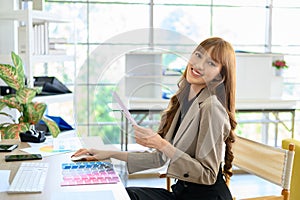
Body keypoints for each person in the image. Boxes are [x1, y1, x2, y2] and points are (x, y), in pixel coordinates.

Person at [72, 37, 237, 200]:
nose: (199, 65)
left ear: (219, 76)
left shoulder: (211, 108)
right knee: (126, 194)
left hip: (205, 197)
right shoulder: (183, 101)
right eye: (199, 55)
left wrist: (162, 144)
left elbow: (207, 175)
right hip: (181, 194)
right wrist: (108, 154)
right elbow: (159, 158)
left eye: (211, 63)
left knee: (127, 196)